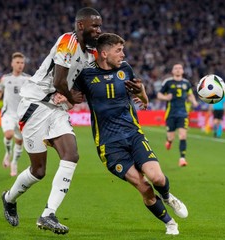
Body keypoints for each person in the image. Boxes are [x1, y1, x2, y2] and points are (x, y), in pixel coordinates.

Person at [63, 33, 188, 235]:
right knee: (144, 187)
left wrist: (143, 96)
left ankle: (167, 197)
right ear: (104, 53)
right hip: (109, 145)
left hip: (133, 134)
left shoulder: (125, 69)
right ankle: (170, 223)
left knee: (157, 178)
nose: (123, 54)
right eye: (118, 50)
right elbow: (72, 100)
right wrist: (62, 100)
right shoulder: (85, 75)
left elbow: (140, 94)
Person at [1, 7, 102, 235]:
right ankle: (9, 198)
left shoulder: (90, 54)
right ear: (80, 26)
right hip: (35, 105)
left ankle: (48, 214)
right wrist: (71, 96)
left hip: (56, 109)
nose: (98, 30)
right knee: (38, 171)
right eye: (94, 26)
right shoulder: (68, 41)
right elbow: (58, 81)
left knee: (71, 155)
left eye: (99, 26)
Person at [0, 52, 30, 176]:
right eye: (17, 62)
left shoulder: (28, 79)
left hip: (22, 115)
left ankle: (14, 162)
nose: (20, 65)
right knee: (8, 134)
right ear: (12, 64)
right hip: (8, 113)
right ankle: (8, 153)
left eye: (22, 63)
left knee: (19, 141)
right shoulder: (5, 78)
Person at [157, 63, 198, 167]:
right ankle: (169, 141)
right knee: (171, 137)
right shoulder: (168, 82)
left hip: (183, 113)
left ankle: (182, 158)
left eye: (180, 68)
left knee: (183, 135)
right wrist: (166, 98)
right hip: (171, 113)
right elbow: (159, 94)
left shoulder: (186, 83)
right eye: (176, 68)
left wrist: (194, 101)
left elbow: (190, 94)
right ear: (172, 71)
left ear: (183, 71)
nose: (178, 70)